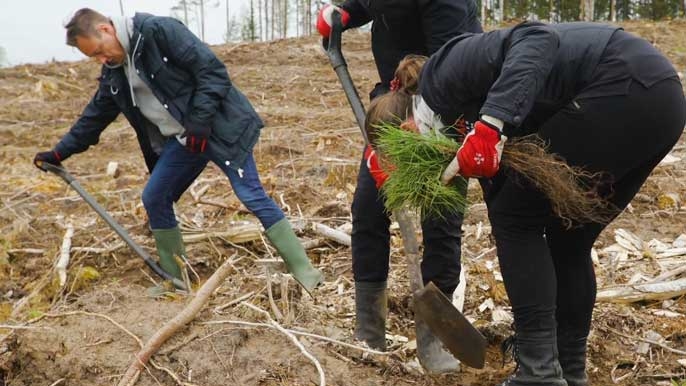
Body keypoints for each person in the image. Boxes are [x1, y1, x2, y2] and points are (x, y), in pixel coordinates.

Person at [364, 21, 685, 385]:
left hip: (620, 82)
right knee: (568, 236)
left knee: (516, 217)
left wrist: (489, 125)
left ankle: (538, 372)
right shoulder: (457, 123)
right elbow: (501, 181)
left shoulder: (444, 71)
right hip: (660, 101)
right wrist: (484, 148)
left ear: (405, 131)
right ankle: (568, 371)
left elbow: (536, 37)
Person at [33, 8, 323, 296]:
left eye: (98, 51)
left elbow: (212, 72)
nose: (101, 60)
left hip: (220, 128)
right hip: (185, 140)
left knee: (251, 195)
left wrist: (200, 121)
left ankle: (306, 273)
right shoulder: (114, 72)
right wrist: (59, 153)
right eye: (93, 57)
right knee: (155, 196)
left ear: (106, 30)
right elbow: (94, 116)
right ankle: (177, 281)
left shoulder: (158, 31)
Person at [316, 0, 482, 373]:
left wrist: (421, 123)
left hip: (449, 101)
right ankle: (369, 329)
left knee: (440, 215)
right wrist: (344, 12)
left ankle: (435, 337)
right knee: (368, 208)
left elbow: (453, 62)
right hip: (394, 93)